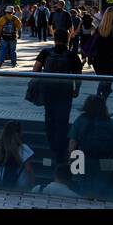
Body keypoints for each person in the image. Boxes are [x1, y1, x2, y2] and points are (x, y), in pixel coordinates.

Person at [33, 30, 82, 165]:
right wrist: (76, 89)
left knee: (49, 117)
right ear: (67, 40)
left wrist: (38, 83)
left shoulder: (46, 52)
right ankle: (61, 149)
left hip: (48, 90)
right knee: (63, 120)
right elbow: (78, 75)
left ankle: (52, 146)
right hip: (65, 92)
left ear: (54, 39)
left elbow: (36, 69)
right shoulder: (72, 55)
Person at [68, 94, 113, 197]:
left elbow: (73, 142)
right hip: (107, 159)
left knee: (83, 185)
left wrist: (71, 160)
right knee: (105, 185)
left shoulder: (81, 121)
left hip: (84, 158)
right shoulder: (111, 124)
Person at [0, 120, 35, 189]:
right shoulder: (24, 149)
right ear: (19, 133)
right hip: (19, 185)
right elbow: (28, 170)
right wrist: (32, 185)